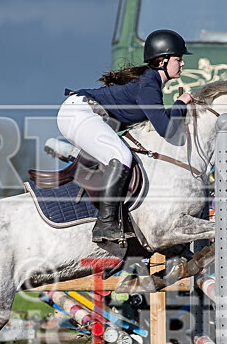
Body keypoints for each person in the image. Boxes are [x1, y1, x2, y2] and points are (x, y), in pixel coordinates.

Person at [57, 29, 194, 244]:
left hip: (82, 113)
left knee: (122, 154)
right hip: (79, 113)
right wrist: (180, 104)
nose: (183, 64)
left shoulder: (150, 83)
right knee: (121, 156)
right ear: (162, 61)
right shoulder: (148, 85)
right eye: (178, 59)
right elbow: (166, 130)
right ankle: (105, 223)